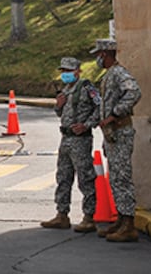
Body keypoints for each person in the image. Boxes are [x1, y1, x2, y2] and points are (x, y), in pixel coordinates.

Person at [40, 56, 102, 233]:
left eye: (69, 71)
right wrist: (58, 106)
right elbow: (61, 114)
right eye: (63, 71)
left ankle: (89, 217)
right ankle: (62, 214)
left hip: (80, 139)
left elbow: (100, 107)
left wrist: (86, 125)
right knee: (63, 176)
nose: (66, 74)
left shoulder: (86, 87)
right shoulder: (66, 90)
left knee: (85, 177)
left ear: (78, 71)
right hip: (65, 138)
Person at [93, 38, 142, 243]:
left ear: (104, 54)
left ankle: (129, 224)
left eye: (98, 55)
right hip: (112, 134)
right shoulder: (110, 74)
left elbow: (134, 92)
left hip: (121, 131)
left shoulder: (119, 73)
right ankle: (121, 219)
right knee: (115, 178)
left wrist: (115, 114)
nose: (97, 59)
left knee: (122, 177)